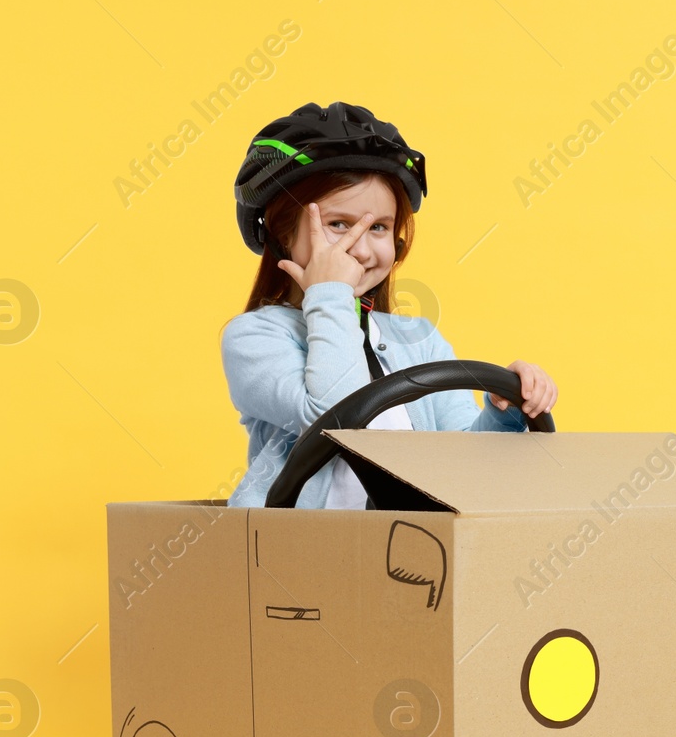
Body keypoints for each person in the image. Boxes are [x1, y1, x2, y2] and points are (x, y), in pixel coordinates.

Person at [220, 100, 559, 508]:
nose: (361, 249)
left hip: (405, 552)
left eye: (378, 227)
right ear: (283, 234)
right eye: (339, 225)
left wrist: (505, 410)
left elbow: (463, 466)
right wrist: (329, 294)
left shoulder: (419, 340)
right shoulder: (254, 337)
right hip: (299, 556)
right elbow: (336, 421)